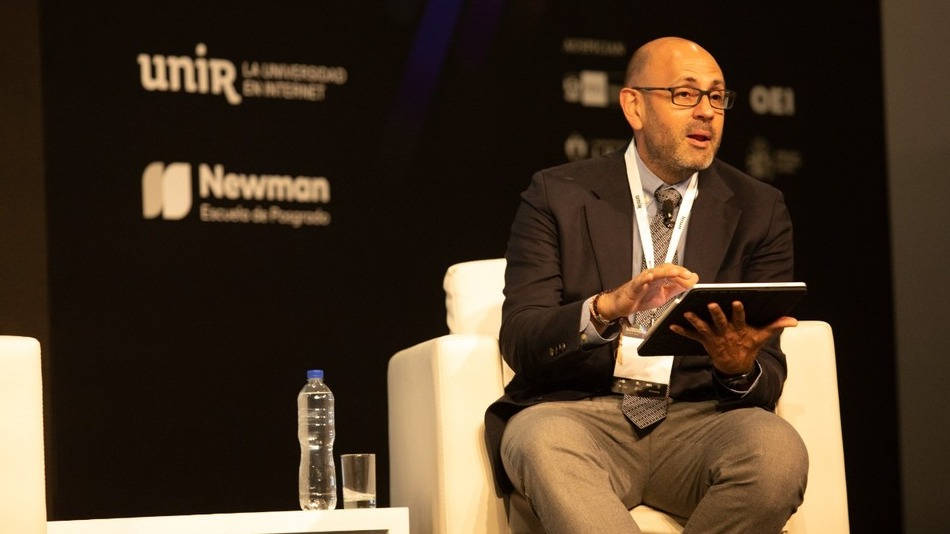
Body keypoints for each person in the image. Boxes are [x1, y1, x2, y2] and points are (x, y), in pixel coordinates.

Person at [484, 37, 808, 534]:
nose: (706, 113)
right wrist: (606, 308)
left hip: (700, 420)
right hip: (585, 417)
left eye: (717, 98)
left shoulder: (759, 208)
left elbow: (767, 371)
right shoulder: (557, 193)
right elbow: (522, 338)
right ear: (634, 105)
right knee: (537, 437)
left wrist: (737, 367)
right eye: (685, 95)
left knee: (777, 452)